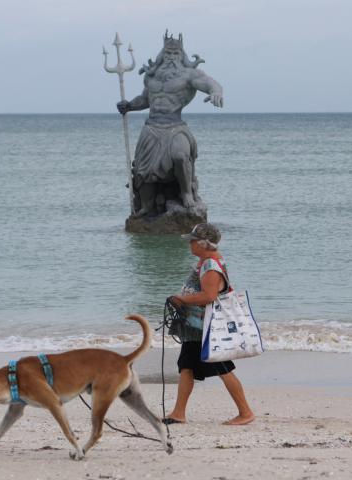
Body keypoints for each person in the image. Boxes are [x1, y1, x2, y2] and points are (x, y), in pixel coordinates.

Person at [117, 32, 223, 217]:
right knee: (143, 170)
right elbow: (146, 99)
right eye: (168, 54)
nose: (171, 58)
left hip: (175, 127)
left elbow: (208, 82)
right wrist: (129, 105)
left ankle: (187, 193)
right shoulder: (152, 76)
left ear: (182, 56)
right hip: (152, 127)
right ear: (161, 55)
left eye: (175, 54)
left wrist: (217, 92)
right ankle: (147, 206)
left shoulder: (189, 75)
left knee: (180, 156)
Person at [165, 223, 255, 426]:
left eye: (193, 241)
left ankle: (246, 412)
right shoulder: (206, 262)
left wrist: (180, 299)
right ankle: (178, 413)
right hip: (196, 326)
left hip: (206, 329)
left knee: (223, 368)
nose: (190, 244)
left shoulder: (211, 267)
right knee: (186, 366)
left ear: (203, 244)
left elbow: (209, 296)